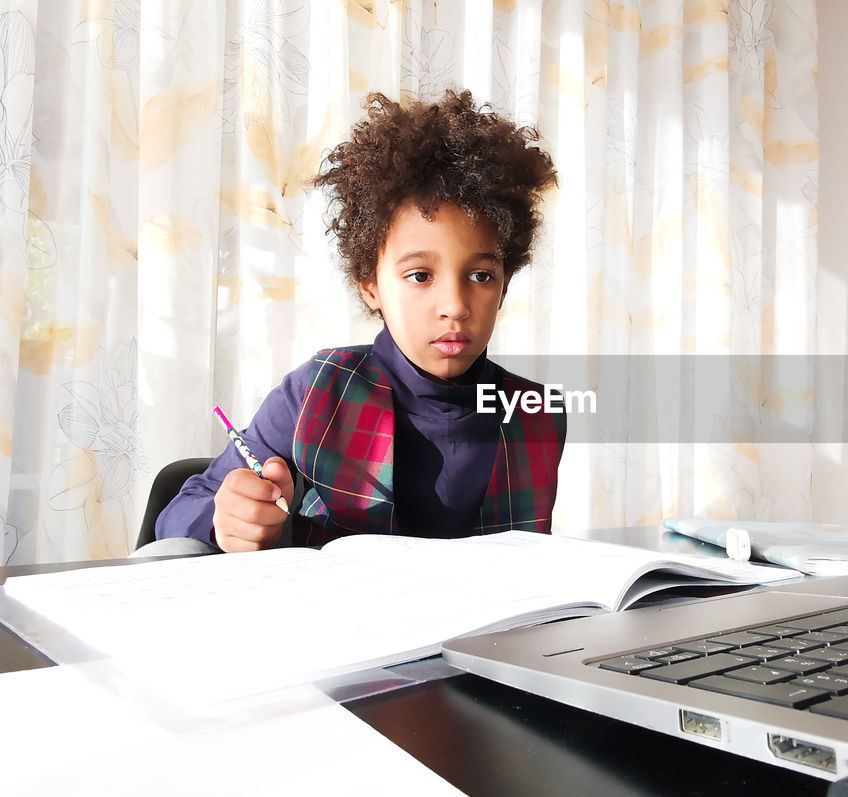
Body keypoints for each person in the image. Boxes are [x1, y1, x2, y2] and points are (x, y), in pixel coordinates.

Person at [148, 90, 563, 554]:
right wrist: (223, 518)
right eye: (420, 275)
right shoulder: (315, 391)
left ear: (504, 286)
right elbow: (176, 518)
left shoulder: (538, 412)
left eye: (482, 276)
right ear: (371, 285)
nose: (455, 306)